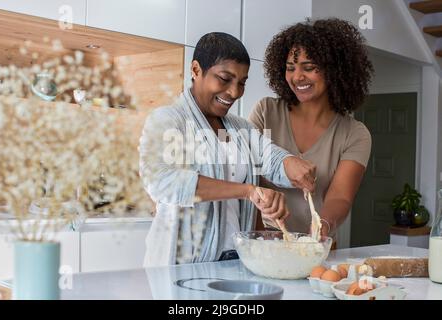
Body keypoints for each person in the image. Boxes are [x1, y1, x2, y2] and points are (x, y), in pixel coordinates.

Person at [139, 32, 316, 267]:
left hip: (234, 262)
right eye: (224, 79)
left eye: (241, 82)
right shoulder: (169, 120)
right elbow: (162, 181)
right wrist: (247, 191)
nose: (234, 92)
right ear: (195, 70)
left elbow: (269, 157)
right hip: (180, 266)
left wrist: (290, 163)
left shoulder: (239, 128)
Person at [249, 18, 374, 239]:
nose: (297, 77)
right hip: (264, 239)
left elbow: (340, 197)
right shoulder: (266, 112)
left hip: (314, 245)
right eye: (290, 68)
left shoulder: (355, 134)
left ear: (335, 70)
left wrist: (322, 226)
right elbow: (243, 170)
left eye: (309, 68)